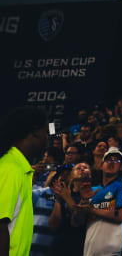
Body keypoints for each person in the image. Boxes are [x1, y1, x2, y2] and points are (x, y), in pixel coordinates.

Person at [1, 106, 48, 256]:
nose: (47, 139)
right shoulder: (11, 168)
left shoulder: (19, 168)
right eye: (46, 133)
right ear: (35, 131)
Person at [80, 148, 122, 256]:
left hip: (114, 251)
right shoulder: (92, 190)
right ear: (101, 165)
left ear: (121, 167)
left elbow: (121, 216)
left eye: (116, 160)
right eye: (108, 160)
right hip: (90, 250)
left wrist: (92, 210)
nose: (112, 162)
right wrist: (83, 201)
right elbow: (78, 222)